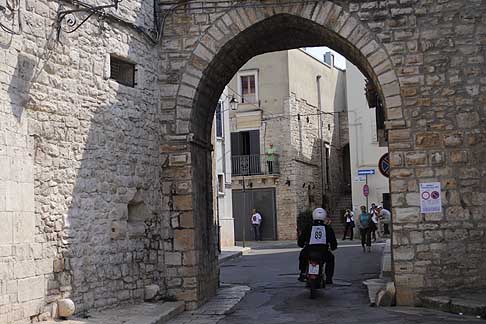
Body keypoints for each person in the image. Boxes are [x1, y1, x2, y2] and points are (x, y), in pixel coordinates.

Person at [297, 208, 338, 284]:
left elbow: (301, 240)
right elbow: (333, 243)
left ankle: (303, 273)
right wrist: (333, 247)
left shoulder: (308, 227)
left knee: (302, 255)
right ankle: (329, 278)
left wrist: (301, 244)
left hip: (309, 251)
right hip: (323, 252)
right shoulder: (328, 228)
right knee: (331, 259)